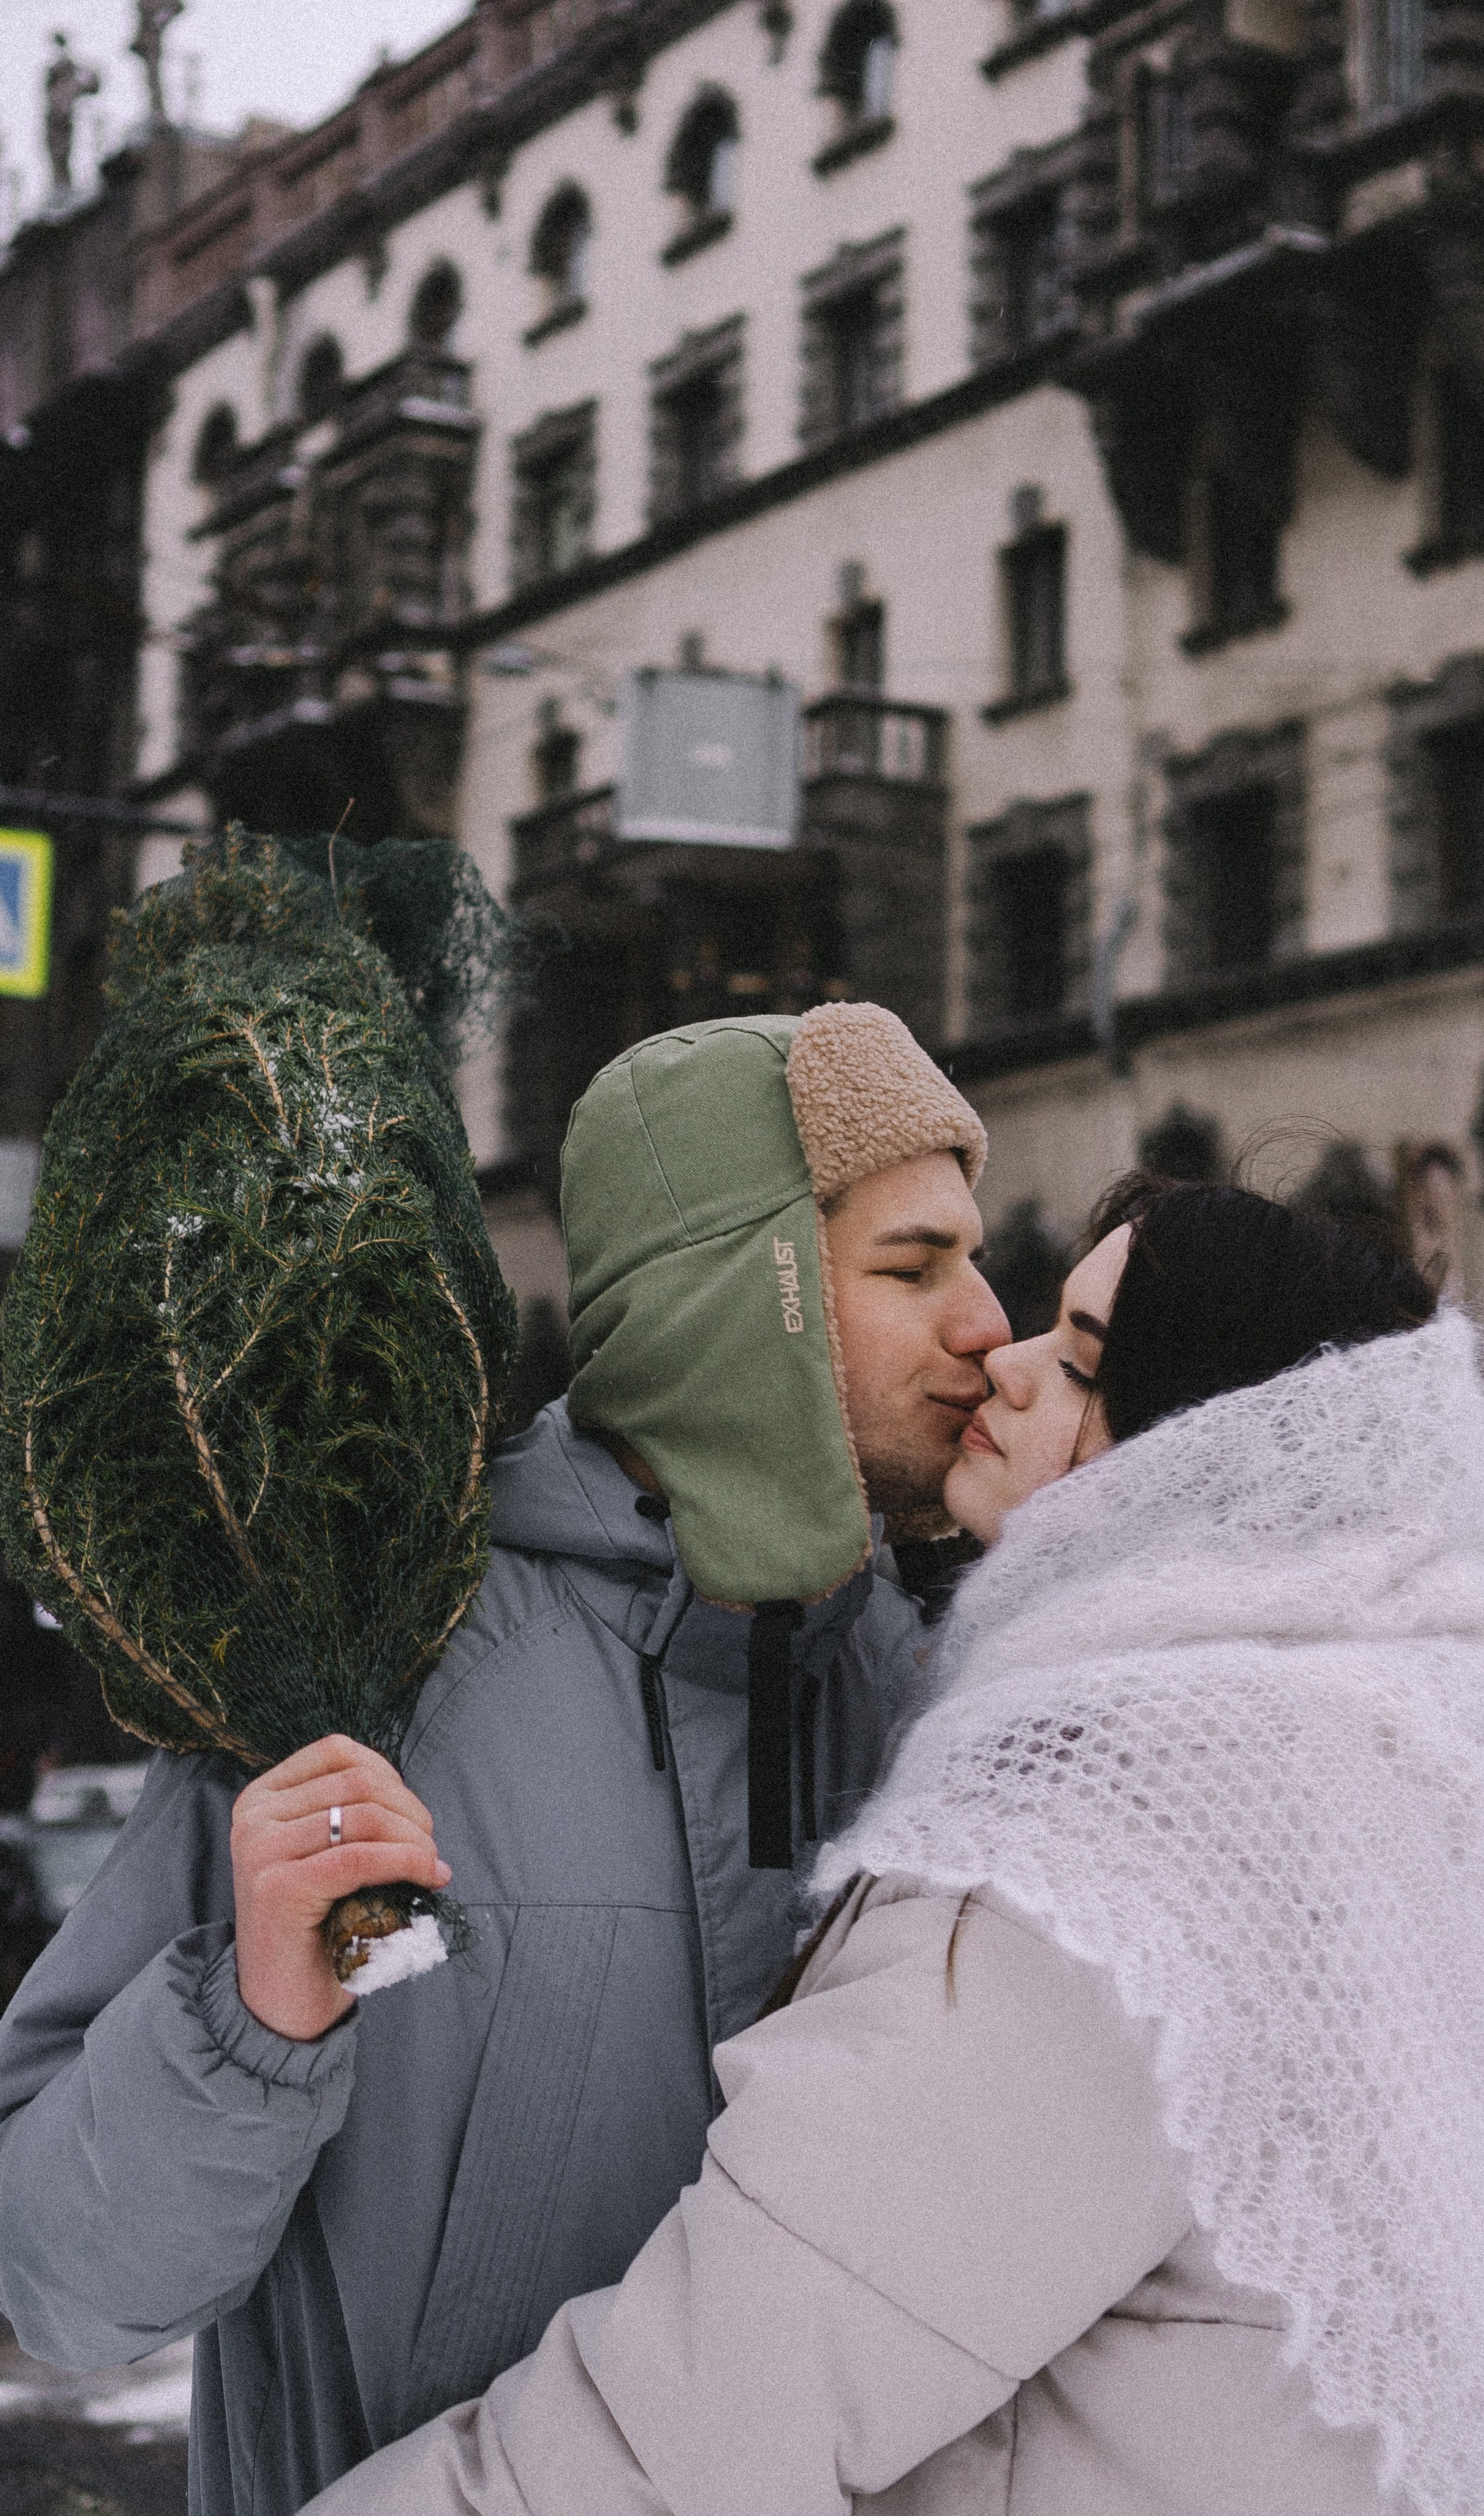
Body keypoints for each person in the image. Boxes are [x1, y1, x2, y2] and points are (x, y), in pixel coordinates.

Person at [302, 1174, 1484, 2516]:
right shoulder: (1385, 1758)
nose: (1004, 1361)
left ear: (1197, 1463)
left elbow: (701, 2420)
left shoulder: (1112, 1848)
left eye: (1085, 1363)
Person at [0, 1003, 1010, 2516]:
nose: (988, 1320)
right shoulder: (367, 1665)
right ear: (747, 1297)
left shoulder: (938, 1703)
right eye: (912, 1266)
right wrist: (252, 2025)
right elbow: (60, 2290)